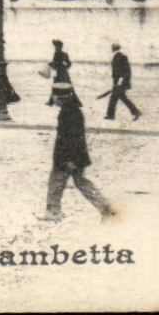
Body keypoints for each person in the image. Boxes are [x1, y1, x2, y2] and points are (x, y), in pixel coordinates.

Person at [40, 85, 114, 220]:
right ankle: (106, 208)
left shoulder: (68, 114)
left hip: (67, 158)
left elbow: (71, 138)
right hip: (76, 157)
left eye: (55, 96)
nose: (53, 99)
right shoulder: (72, 111)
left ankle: (53, 212)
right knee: (82, 183)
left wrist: (69, 160)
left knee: (55, 183)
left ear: (61, 98)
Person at [105, 43, 141, 121]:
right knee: (119, 98)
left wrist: (120, 82)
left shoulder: (121, 57)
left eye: (113, 48)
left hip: (120, 82)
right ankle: (135, 112)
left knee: (117, 98)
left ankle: (136, 112)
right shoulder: (117, 56)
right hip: (118, 82)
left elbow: (125, 71)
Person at [47, 39, 72, 105]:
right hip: (64, 73)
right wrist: (65, 67)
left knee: (56, 86)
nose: (55, 48)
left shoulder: (56, 54)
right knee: (67, 86)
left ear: (59, 47)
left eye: (56, 46)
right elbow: (69, 63)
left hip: (59, 73)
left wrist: (50, 64)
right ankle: (67, 101)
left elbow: (56, 63)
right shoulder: (65, 54)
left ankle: (52, 102)